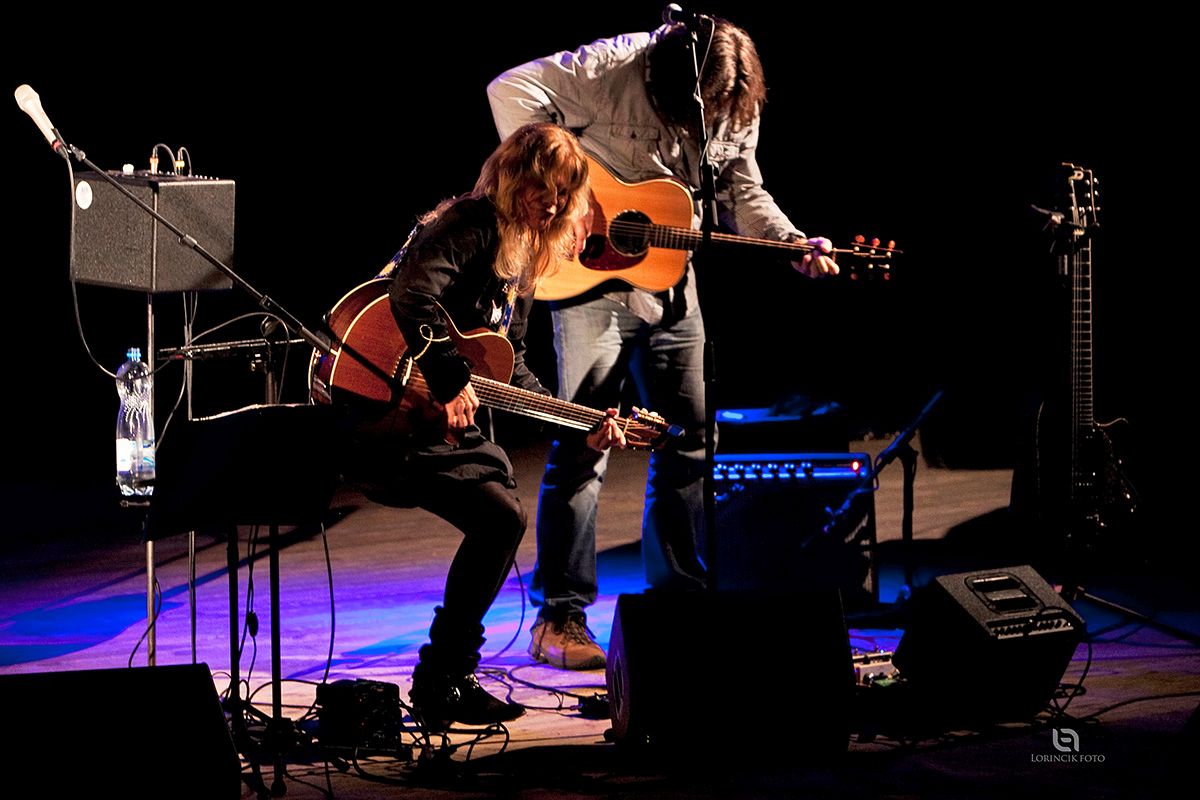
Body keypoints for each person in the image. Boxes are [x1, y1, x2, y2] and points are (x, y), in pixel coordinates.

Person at [488, 17, 839, 670]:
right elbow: (508, 89)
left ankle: (679, 599)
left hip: (674, 279)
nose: (703, 115)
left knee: (692, 437)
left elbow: (740, 186)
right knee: (585, 440)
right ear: (663, 76)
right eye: (692, 103)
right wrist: (566, 193)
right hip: (591, 277)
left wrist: (789, 240)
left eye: (719, 104)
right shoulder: (610, 67)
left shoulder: (735, 98)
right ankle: (560, 616)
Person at [361, 122, 626, 729]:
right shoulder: (471, 222)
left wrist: (577, 424)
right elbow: (410, 296)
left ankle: (444, 679)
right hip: (383, 407)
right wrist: (448, 378)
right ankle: (443, 679)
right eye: (542, 187)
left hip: (434, 416)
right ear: (512, 177)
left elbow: (510, 363)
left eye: (564, 193)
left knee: (499, 518)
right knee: (500, 517)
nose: (553, 203)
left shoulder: (523, 255)